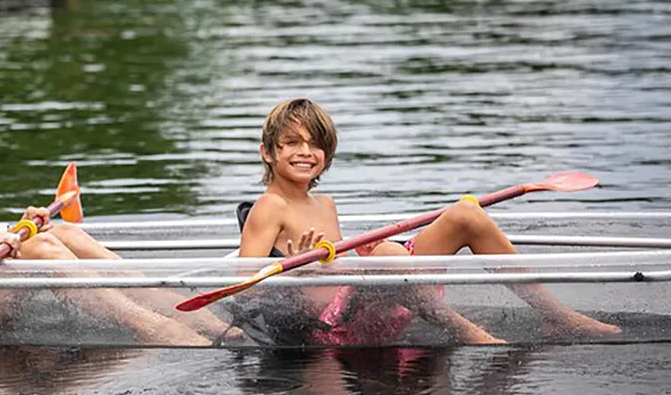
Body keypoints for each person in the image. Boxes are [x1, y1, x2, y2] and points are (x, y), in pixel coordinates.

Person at [0, 47, 232, 345]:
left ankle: (199, 319)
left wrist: (8, 229)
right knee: (40, 251)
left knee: (64, 235)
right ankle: (159, 331)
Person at [236, 97, 621, 346]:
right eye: (291, 143)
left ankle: (558, 316)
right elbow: (242, 291)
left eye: (315, 143)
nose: (305, 152)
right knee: (388, 252)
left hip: (371, 296)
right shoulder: (269, 207)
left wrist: (352, 255)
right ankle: (464, 331)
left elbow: (338, 268)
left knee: (466, 214)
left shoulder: (327, 204)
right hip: (335, 327)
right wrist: (292, 273)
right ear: (268, 153)